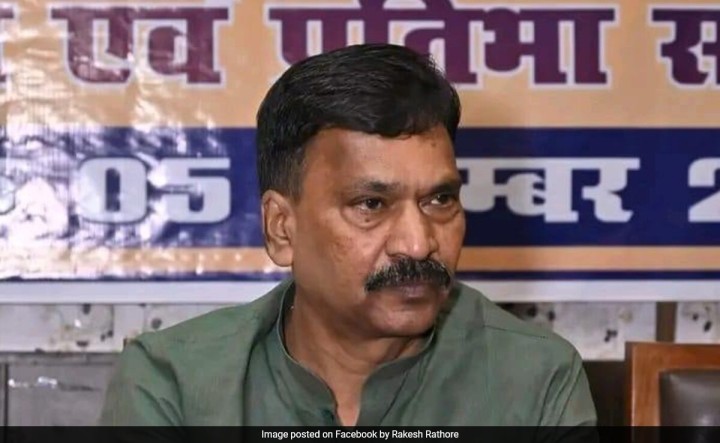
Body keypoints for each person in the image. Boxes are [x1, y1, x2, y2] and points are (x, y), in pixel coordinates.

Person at [99, 43, 597, 427]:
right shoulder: (174, 384)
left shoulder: (534, 378)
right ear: (281, 228)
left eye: (439, 200)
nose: (418, 244)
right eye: (371, 205)